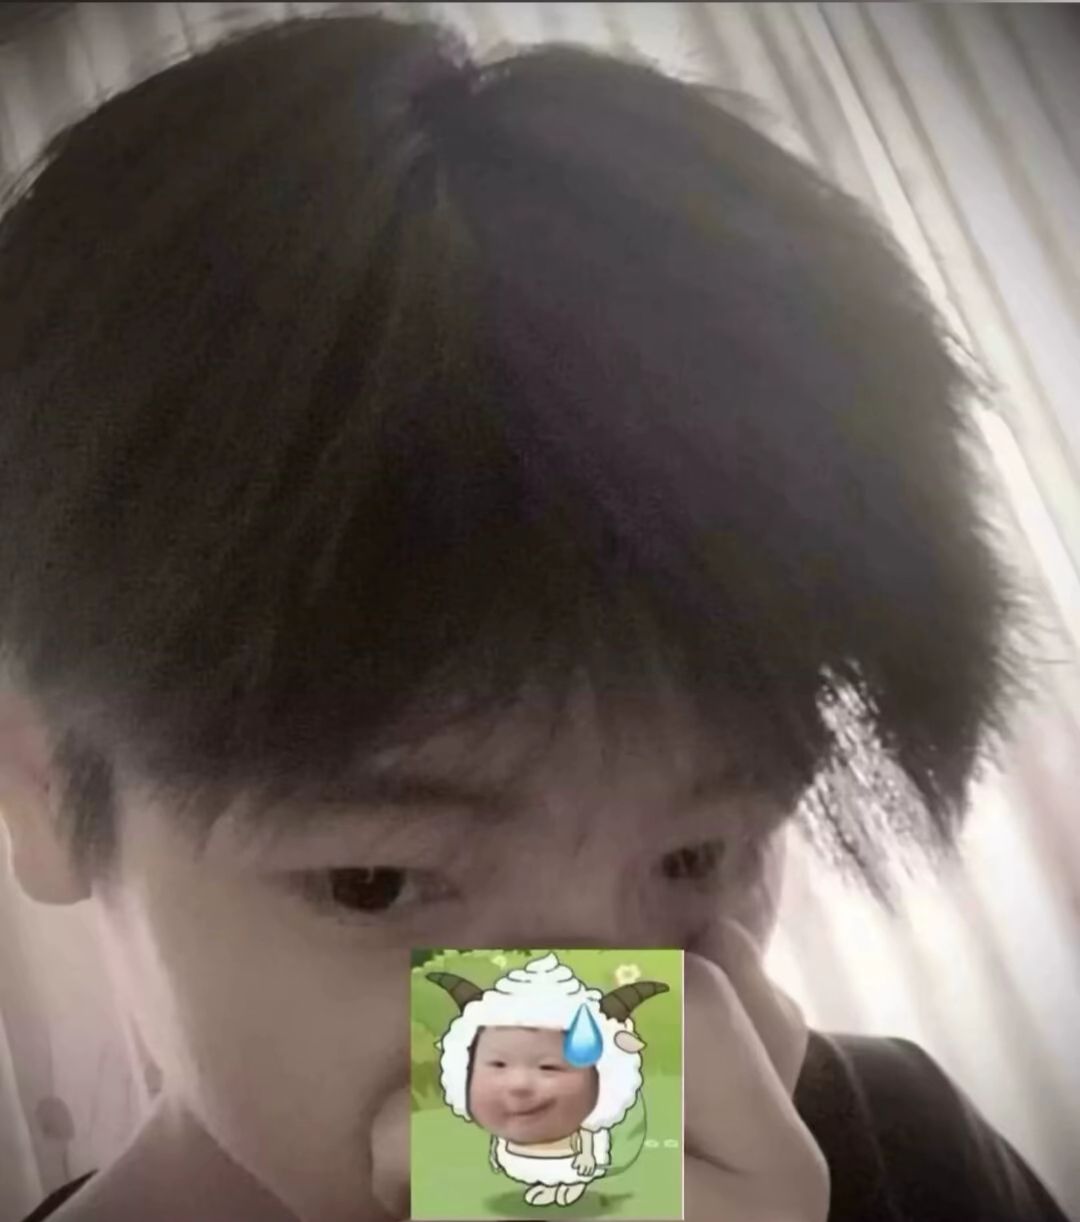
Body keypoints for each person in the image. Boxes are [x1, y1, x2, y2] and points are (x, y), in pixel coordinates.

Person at [0, 10, 1069, 1222]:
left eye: (696, 858)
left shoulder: (914, 1158)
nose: (580, 1042)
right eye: (375, 882)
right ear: (42, 784)